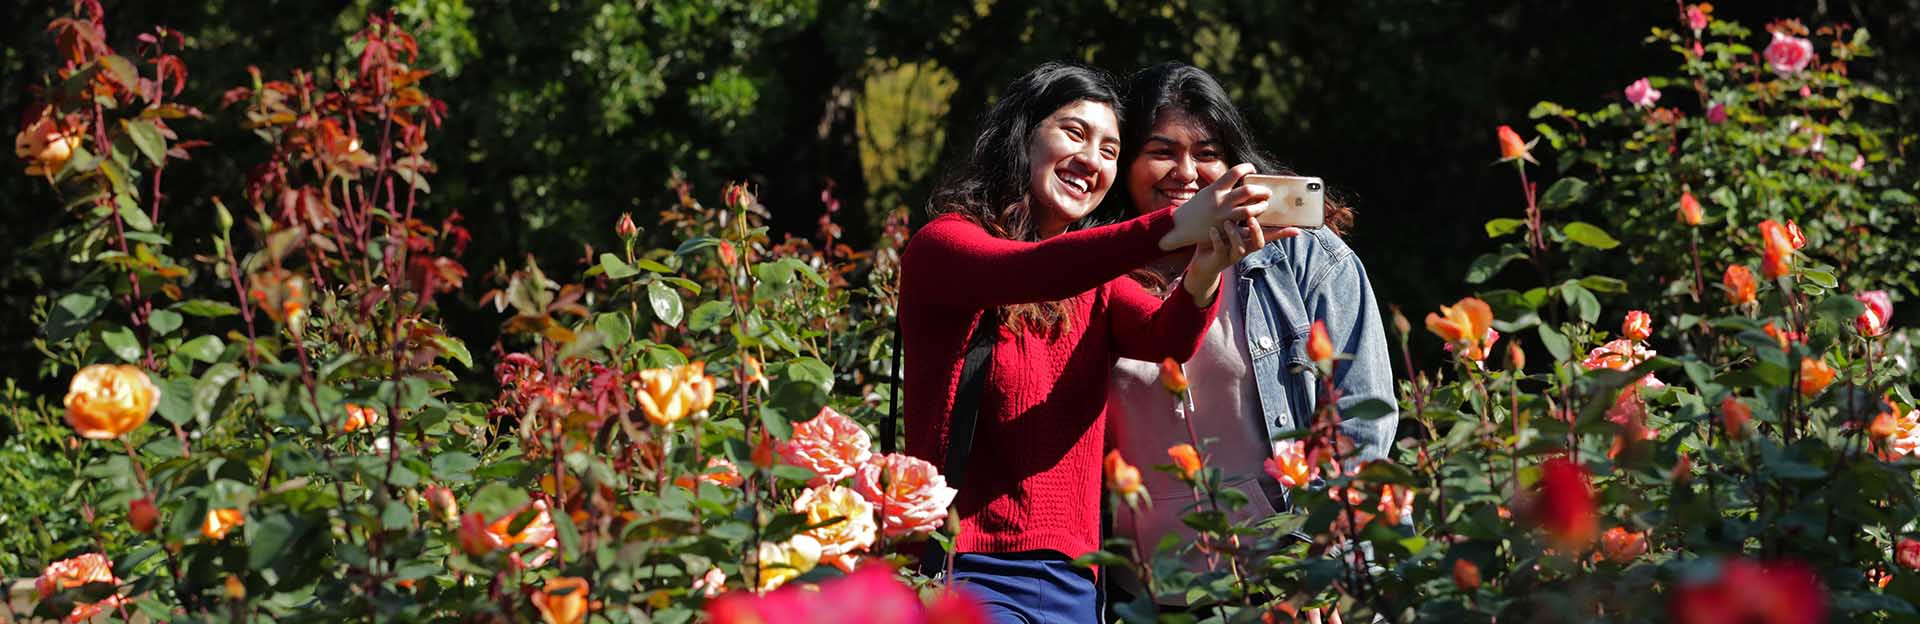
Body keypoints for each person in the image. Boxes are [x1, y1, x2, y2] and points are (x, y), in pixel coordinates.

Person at [898, 61, 1273, 624]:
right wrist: (1178, 222)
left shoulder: (1095, 282)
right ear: (1022, 135)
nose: (1092, 160)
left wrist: (1205, 268)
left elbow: (1164, 339)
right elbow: (1029, 271)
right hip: (966, 565)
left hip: (1074, 580)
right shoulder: (944, 246)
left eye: (1109, 149)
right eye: (1074, 133)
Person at [1101, 62, 1399, 606]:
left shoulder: (1304, 257)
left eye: (1207, 153)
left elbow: (1362, 417)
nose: (1185, 173)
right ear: (1125, 161)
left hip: (1284, 576)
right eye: (1162, 151)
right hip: (1146, 591)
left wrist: (1317, 566)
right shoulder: (1090, 270)